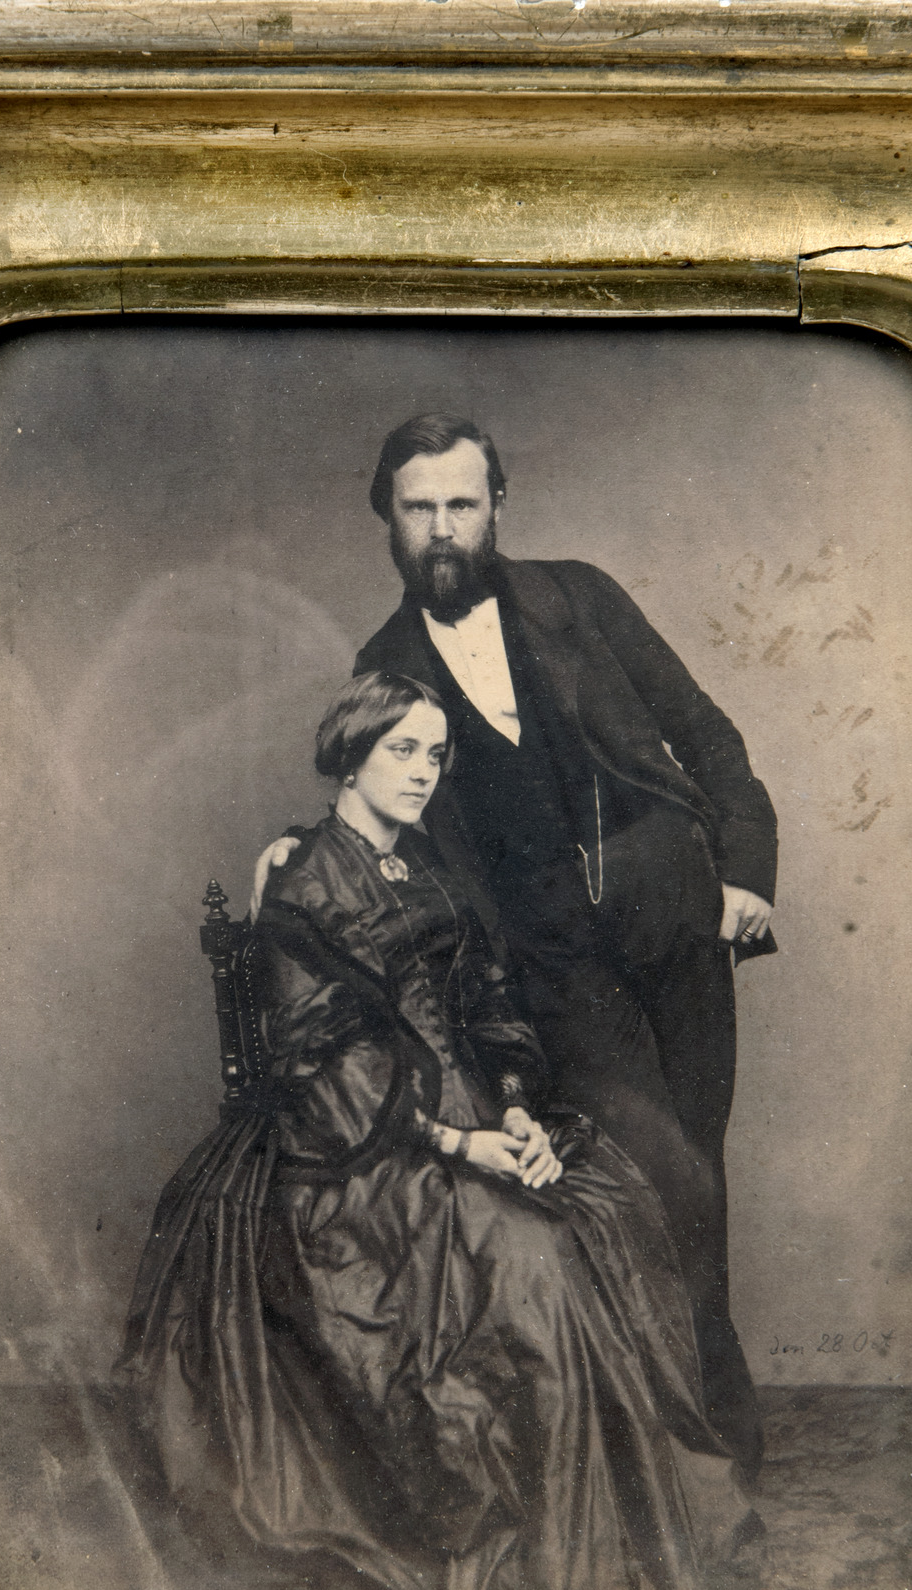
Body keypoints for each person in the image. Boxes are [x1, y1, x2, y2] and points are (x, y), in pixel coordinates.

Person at [119, 672, 757, 1590]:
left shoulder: (420, 864)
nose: (423, 771)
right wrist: (459, 1141)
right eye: (401, 750)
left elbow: (486, 1002)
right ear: (350, 755)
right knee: (526, 1261)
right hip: (353, 1147)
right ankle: (544, 1560)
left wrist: (515, 1108)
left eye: (434, 752)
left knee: (603, 1216)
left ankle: (618, 1544)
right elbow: (321, 1062)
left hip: (466, 1113)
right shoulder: (302, 880)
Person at [259, 415, 777, 1479]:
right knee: (660, 1179)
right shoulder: (387, 662)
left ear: (498, 504)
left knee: (700, 1168)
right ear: (387, 520)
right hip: (552, 970)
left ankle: (697, 1428)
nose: (442, 529)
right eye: (418, 509)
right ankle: (707, 1446)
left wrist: (745, 874)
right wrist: (302, 845)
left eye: (461, 503)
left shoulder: (577, 597)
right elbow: (381, 800)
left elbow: (705, 733)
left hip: (674, 928)